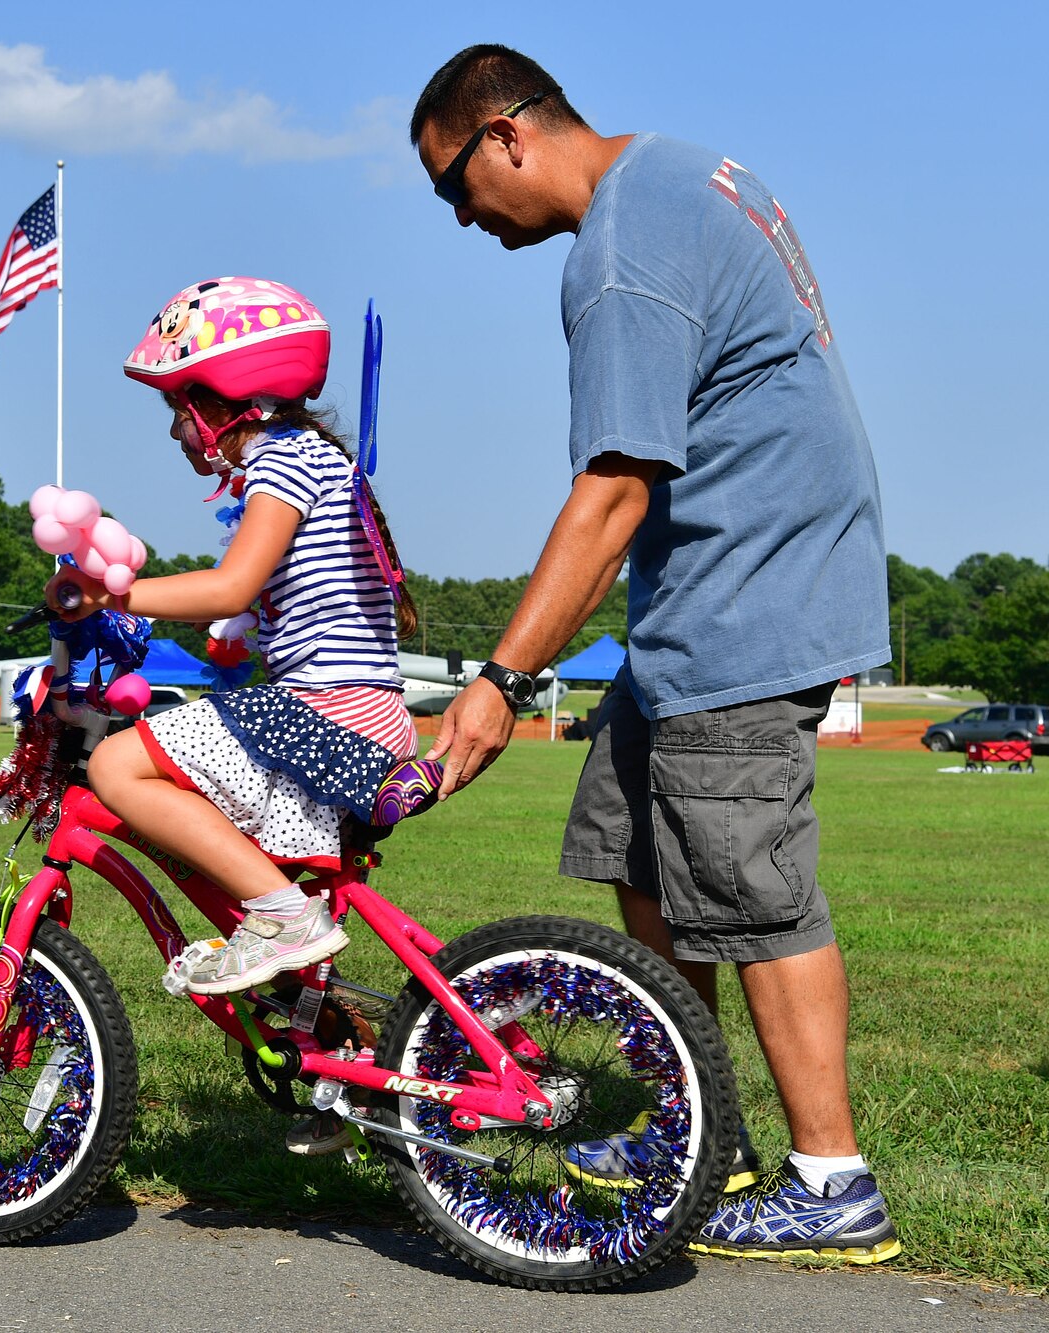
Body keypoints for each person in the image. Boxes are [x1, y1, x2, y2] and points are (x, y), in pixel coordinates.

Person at [409, 45, 896, 1264]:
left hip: (748, 593)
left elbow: (614, 488)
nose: (462, 218)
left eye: (451, 186)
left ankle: (830, 1181)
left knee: (747, 882)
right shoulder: (685, 171)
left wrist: (497, 680)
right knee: (632, 834)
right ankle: (700, 1126)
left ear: (505, 134)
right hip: (715, 589)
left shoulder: (620, 256)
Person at [53, 276, 420, 1012]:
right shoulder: (314, 458)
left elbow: (230, 585)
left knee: (119, 764)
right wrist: (228, 643)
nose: (174, 431)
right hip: (360, 714)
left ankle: (281, 919)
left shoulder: (281, 462)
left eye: (177, 408)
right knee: (242, 851)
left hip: (329, 714)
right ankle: (333, 1047)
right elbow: (265, 601)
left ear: (222, 398)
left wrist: (109, 595)